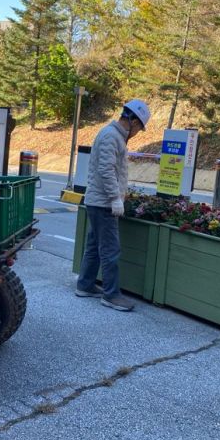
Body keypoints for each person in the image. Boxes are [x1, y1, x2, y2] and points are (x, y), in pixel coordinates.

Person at [75, 99, 151, 312]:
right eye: (139, 128)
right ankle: (111, 295)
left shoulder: (112, 135)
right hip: (103, 203)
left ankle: (85, 285)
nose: (137, 133)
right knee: (110, 250)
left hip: (98, 201)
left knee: (93, 246)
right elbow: (106, 170)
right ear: (132, 120)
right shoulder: (111, 136)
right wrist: (115, 198)